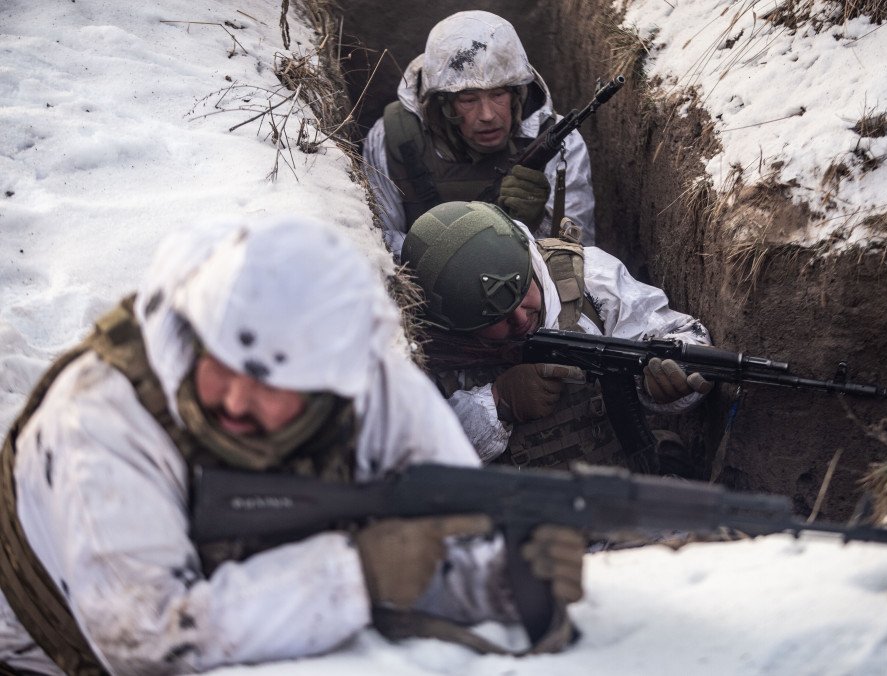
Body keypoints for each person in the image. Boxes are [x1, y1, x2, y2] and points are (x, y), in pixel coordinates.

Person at [0, 215, 584, 675]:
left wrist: (499, 577)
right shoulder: (100, 422)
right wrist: (359, 575)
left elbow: (459, 518)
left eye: (267, 385)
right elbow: (147, 643)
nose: (232, 398)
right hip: (55, 649)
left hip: (252, 595)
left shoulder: (362, 377)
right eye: (219, 365)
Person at [401, 201, 713, 473]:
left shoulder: (587, 278)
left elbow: (677, 334)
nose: (521, 319)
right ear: (455, 326)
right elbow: (408, 458)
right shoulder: (411, 342)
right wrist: (498, 402)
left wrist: (669, 380)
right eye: (496, 319)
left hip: (626, 497)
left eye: (523, 294)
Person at [362, 10, 596, 258]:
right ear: (444, 104)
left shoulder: (559, 142)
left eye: (497, 95)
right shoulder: (394, 139)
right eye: (468, 99)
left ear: (516, 94)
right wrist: (455, 259)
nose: (487, 115)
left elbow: (579, 256)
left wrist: (537, 224)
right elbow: (378, 245)